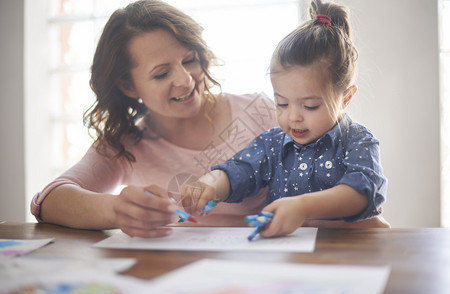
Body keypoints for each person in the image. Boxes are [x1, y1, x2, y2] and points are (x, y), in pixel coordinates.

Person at [31, 0, 278, 238]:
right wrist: (117, 210)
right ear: (128, 86)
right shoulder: (126, 144)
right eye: (161, 74)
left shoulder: (258, 112)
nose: (185, 80)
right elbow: (49, 201)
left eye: (189, 60)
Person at [181, 0, 389, 238]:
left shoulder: (358, 140)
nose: (293, 117)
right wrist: (209, 184)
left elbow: (361, 192)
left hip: (351, 249)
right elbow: (239, 170)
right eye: (282, 103)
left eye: (310, 106)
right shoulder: (272, 144)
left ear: (346, 98)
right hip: (290, 253)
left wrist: (303, 207)